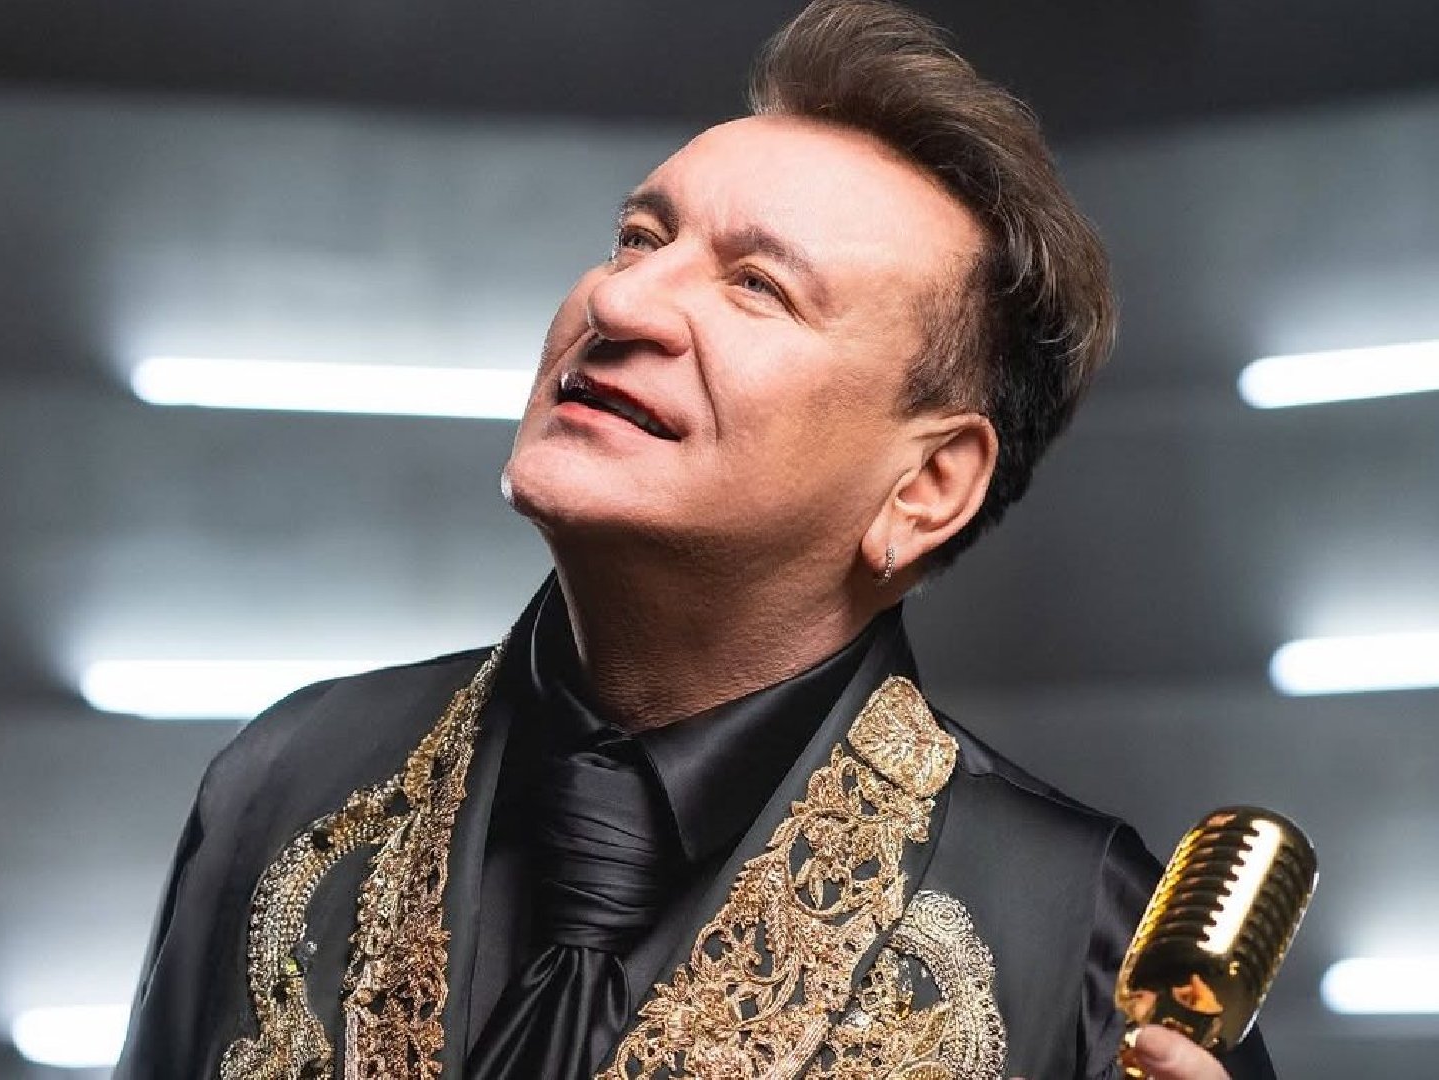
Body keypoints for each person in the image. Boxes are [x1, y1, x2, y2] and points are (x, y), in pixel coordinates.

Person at [116, 2, 1276, 1078]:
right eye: (636, 239)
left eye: (759, 286)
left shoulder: (1085, 939)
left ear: (926, 486)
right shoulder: (288, 779)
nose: (619, 305)